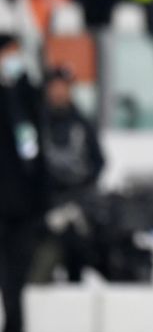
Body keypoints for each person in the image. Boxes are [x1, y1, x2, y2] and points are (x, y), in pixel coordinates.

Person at [29, 66, 104, 283]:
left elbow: (98, 162)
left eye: (64, 87)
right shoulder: (36, 123)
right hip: (44, 207)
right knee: (41, 266)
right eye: (55, 87)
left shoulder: (82, 123)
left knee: (77, 261)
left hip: (78, 204)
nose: (59, 92)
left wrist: (81, 194)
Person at [0, 16, 47, 332]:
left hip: (27, 199)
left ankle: (16, 324)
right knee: (6, 266)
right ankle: (14, 325)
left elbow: (35, 142)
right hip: (2, 198)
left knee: (21, 264)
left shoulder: (27, 93)